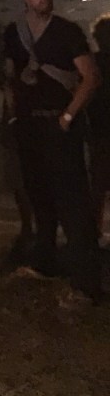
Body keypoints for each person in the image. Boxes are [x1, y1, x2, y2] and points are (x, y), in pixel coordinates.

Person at [4, 0, 101, 302]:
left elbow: (90, 77)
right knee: (39, 196)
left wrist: (67, 116)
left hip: (59, 125)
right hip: (29, 126)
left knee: (72, 201)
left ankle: (86, 280)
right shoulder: (14, 33)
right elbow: (10, 76)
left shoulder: (66, 32)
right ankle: (45, 262)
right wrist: (13, 115)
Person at [88, 15, 110, 243]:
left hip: (98, 128)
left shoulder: (91, 63)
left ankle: (94, 231)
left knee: (98, 184)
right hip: (99, 129)